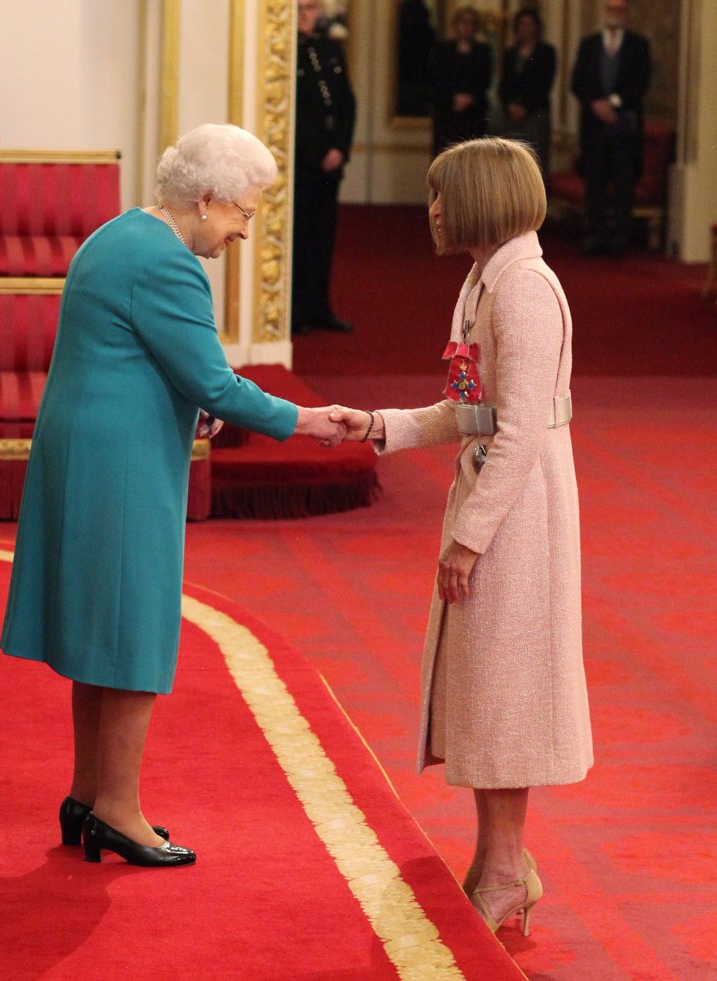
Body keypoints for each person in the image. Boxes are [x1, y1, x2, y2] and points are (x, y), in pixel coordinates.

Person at [0, 123, 346, 868]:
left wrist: (197, 401)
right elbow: (213, 380)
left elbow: (142, 355)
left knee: (98, 629)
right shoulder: (170, 264)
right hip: (122, 460)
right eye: (244, 213)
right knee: (132, 630)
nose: (244, 231)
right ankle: (118, 811)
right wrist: (307, 419)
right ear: (207, 197)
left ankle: (88, 795)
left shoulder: (120, 234)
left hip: (85, 446)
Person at [330, 138, 593, 935]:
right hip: (494, 496)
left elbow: (519, 432)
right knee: (485, 684)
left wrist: (470, 538)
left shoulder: (525, 289)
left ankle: (507, 871)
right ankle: (499, 860)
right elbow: (466, 409)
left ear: (481, 198)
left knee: (506, 686)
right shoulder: (484, 280)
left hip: (520, 507)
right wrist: (378, 424)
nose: (433, 209)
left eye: (442, 194)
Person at [292, 0, 357, 335]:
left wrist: (340, 149)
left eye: (311, 8)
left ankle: (319, 307)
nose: (305, 14)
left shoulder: (331, 50)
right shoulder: (286, 54)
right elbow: (294, 113)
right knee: (299, 237)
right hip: (303, 162)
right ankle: (295, 311)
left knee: (323, 238)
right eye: (300, 8)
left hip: (331, 162)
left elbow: (346, 103)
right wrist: (317, 152)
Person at [571, 0, 651, 257]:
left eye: (619, 9)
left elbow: (642, 83)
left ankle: (619, 239)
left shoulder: (638, 45)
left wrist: (614, 103)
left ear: (626, 12)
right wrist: (595, 103)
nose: (615, 14)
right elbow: (577, 82)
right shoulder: (589, 44)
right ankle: (595, 236)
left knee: (623, 183)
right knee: (594, 182)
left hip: (623, 126)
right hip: (594, 127)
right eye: (611, 9)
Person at [498, 7, 556, 184]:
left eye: (529, 24)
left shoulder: (546, 52)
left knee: (534, 161)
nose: (525, 28)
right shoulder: (510, 54)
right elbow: (504, 83)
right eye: (522, 24)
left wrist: (526, 107)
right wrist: (509, 105)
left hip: (535, 113)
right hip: (511, 115)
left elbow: (545, 84)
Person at [428, 5, 492, 156]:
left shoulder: (483, 51)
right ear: (456, 24)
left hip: (474, 112)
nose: (466, 27)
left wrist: (470, 98)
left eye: (471, 23)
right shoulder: (442, 50)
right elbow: (436, 78)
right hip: (447, 110)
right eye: (463, 22)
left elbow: (484, 79)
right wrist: (454, 97)